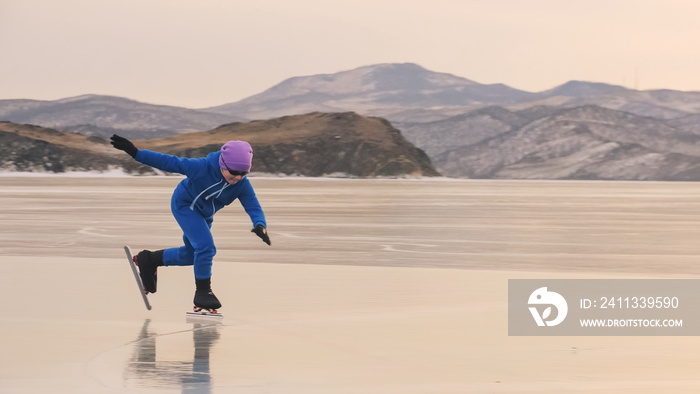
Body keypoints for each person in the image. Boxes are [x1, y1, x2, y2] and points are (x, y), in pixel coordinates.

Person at [110, 134, 271, 312]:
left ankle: (149, 260)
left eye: (244, 173)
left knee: (191, 255)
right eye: (234, 172)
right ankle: (203, 293)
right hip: (184, 205)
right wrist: (136, 153)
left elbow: (253, 206)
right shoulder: (202, 167)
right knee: (206, 247)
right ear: (223, 165)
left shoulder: (241, 185)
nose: (238, 177)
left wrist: (260, 224)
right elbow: (170, 162)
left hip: (203, 215)